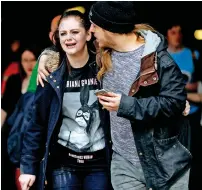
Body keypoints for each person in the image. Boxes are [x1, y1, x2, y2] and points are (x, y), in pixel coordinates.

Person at [87, 2, 191, 190]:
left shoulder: (160, 59)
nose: (91, 30)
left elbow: (175, 102)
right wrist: (47, 56)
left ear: (109, 28)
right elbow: (68, 47)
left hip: (165, 165)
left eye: (94, 25)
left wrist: (126, 105)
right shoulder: (101, 54)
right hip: (123, 164)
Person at [19, 9, 112, 190]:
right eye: (63, 33)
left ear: (87, 35)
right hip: (63, 163)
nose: (68, 37)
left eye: (75, 32)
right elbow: (36, 123)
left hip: (100, 163)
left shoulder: (105, 68)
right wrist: (28, 168)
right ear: (58, 39)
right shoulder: (50, 74)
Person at [166, 23, 202, 190]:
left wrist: (176, 91)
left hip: (192, 114)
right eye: (173, 32)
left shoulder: (194, 55)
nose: (177, 35)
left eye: (180, 32)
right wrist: (187, 90)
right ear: (166, 34)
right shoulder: (162, 56)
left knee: (193, 156)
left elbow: (199, 90)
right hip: (169, 115)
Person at [1, 46, 39, 190]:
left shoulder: (40, 80)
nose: (29, 64)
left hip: (29, 130)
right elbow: (3, 108)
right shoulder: (14, 80)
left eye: (32, 60)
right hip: (12, 130)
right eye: (25, 60)